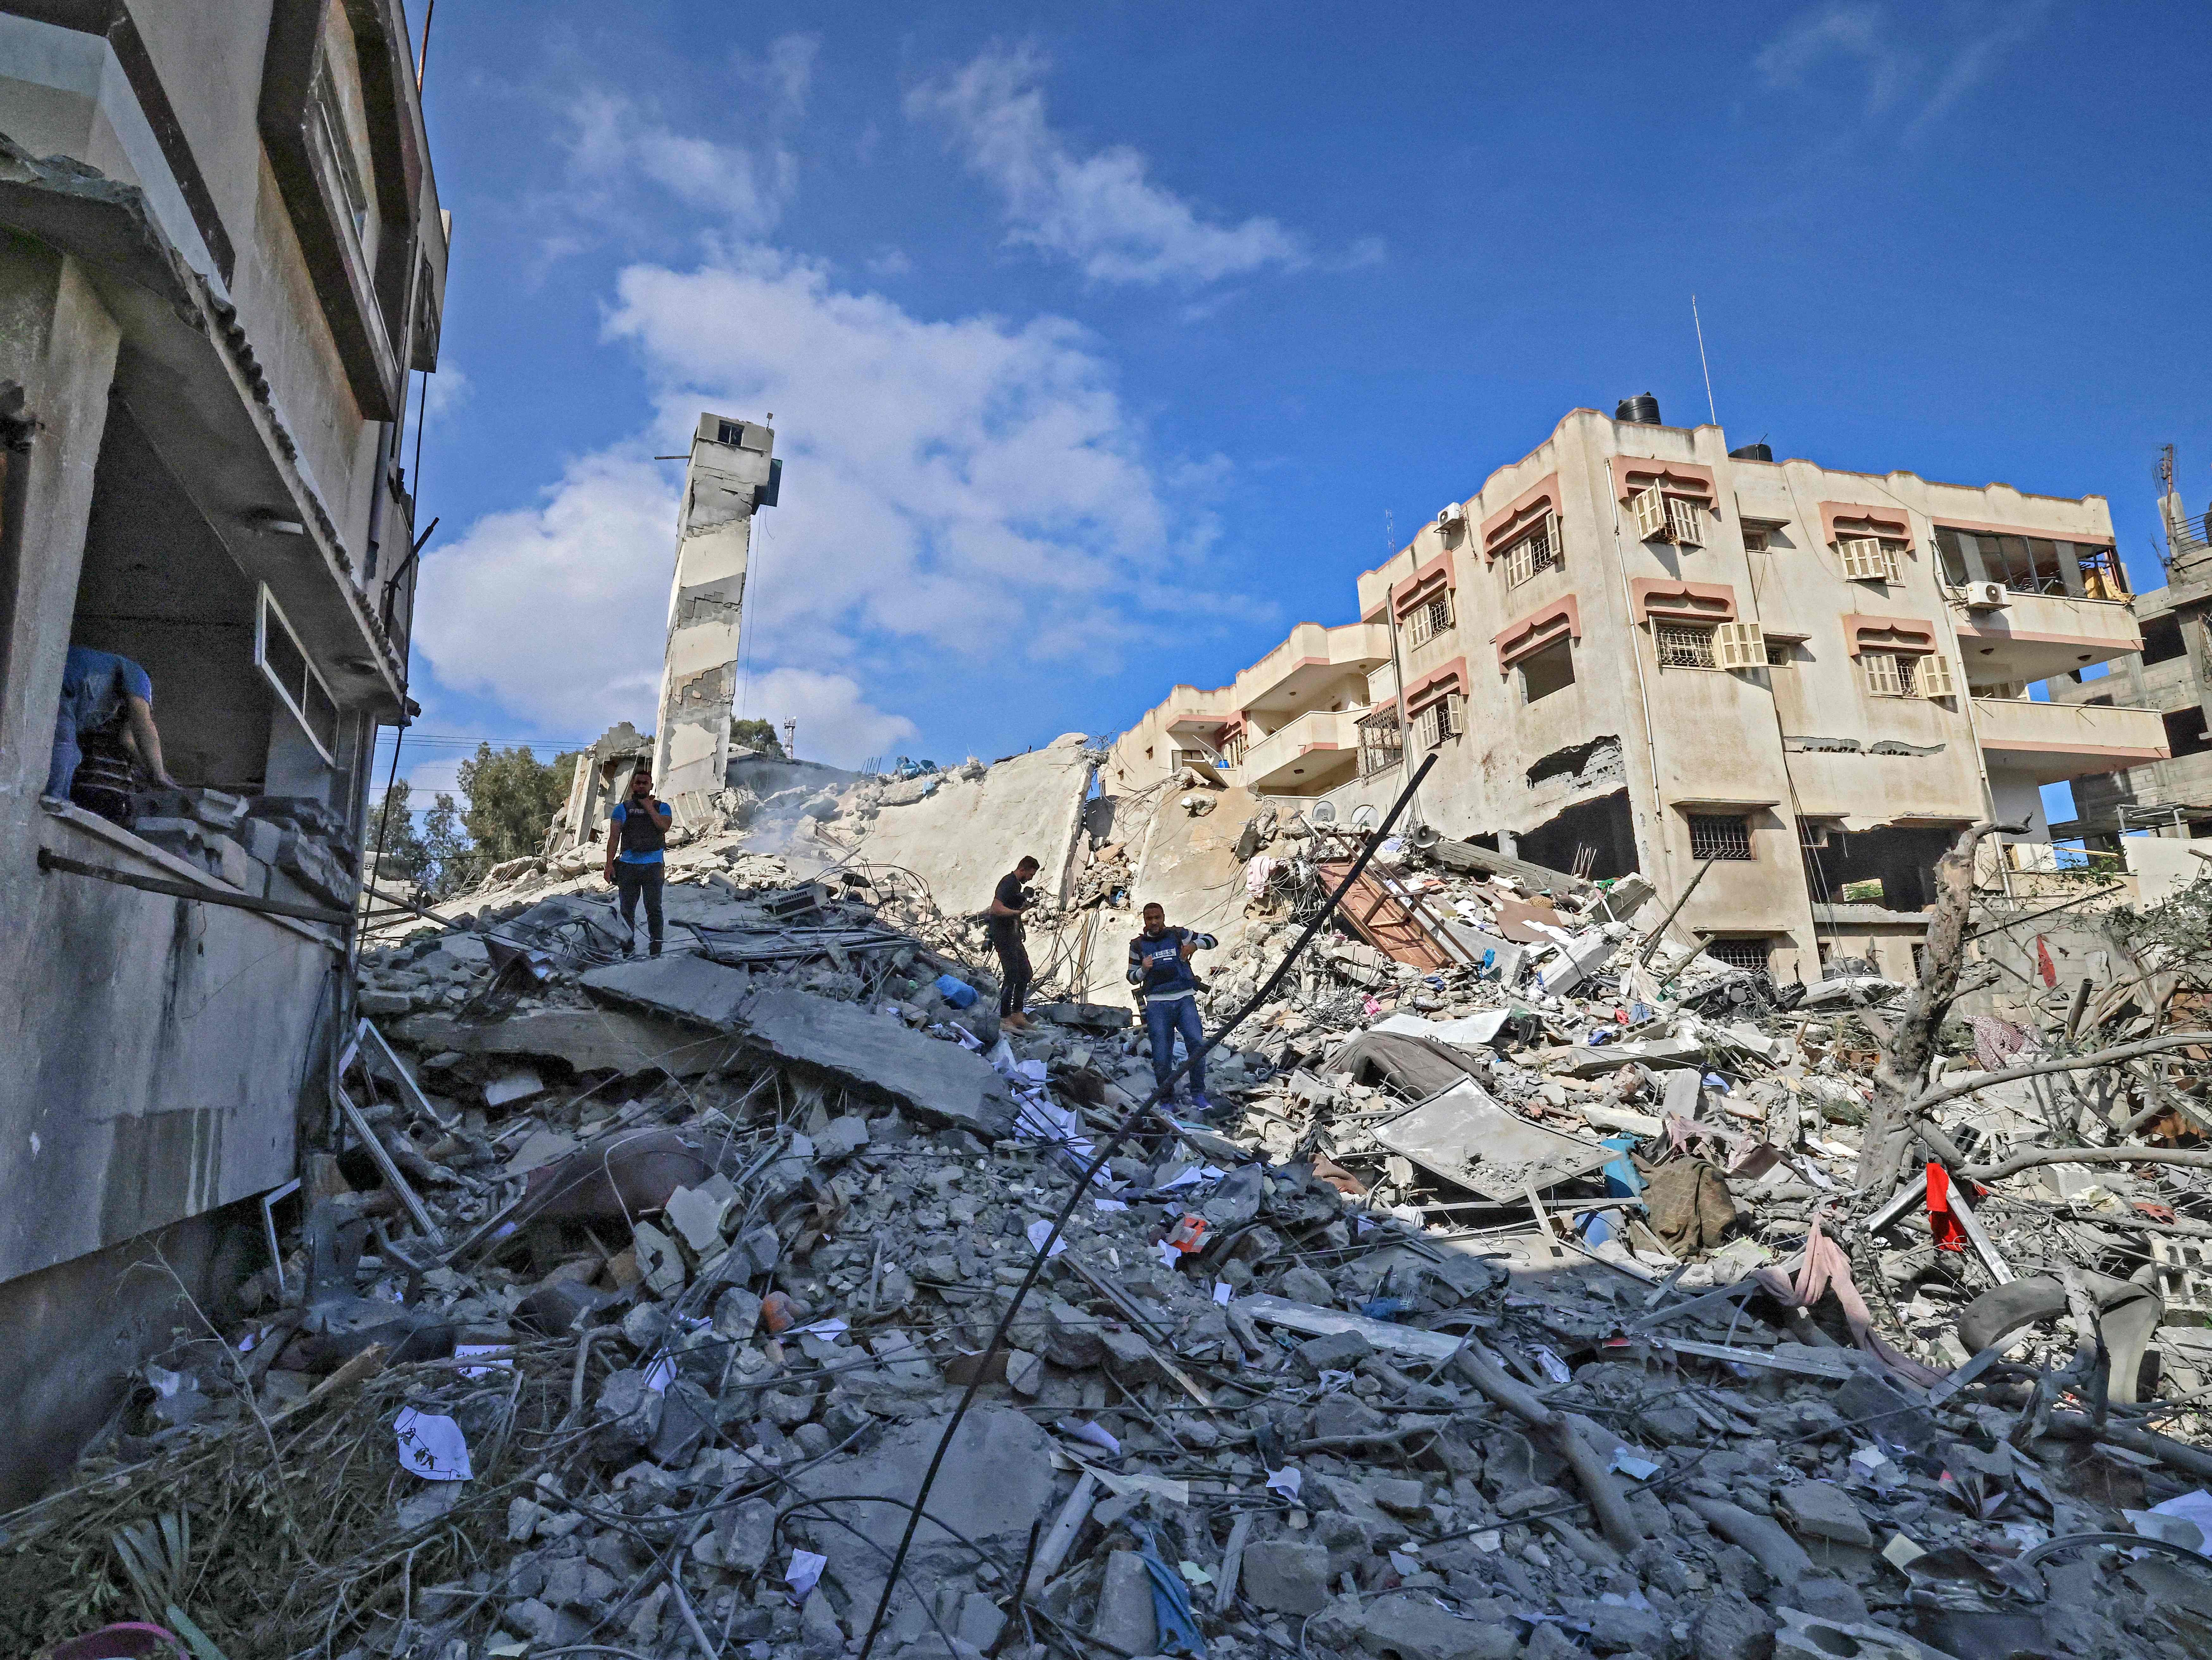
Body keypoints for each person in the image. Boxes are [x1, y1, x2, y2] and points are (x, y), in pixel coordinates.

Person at [46, 644, 177, 801]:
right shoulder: (139, 676)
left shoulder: (112, 685)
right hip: (61, 685)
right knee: (66, 748)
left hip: (52, 678)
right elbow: (143, 725)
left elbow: (127, 741)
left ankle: (55, 798)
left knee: (70, 751)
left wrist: (151, 771)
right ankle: (55, 802)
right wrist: (160, 774)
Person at [1128, 903, 1218, 1112]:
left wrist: (1195, 946)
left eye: (1157, 918)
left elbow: (1213, 940)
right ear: (1144, 920)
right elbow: (1131, 978)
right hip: (1157, 1004)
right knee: (1161, 1055)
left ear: (1163, 917)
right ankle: (1167, 1100)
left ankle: (1198, 1095)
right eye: (1149, 919)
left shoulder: (1179, 935)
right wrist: (1142, 970)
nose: (1154, 922)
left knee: (1196, 1044)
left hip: (1184, 999)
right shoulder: (1138, 946)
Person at [603, 762, 673, 957]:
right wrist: (609, 865)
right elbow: (614, 837)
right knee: (627, 912)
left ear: (651, 786)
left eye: (645, 783)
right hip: (628, 867)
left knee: (654, 910)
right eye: (638, 783)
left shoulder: (663, 807)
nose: (641, 786)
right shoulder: (622, 809)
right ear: (633, 786)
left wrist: (649, 808)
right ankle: (628, 951)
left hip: (653, 866)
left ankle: (656, 950)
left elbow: (664, 827)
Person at [986, 856, 1040, 1030]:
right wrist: (1016, 913)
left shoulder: (1017, 887)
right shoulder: (1008, 883)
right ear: (1022, 870)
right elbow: (996, 909)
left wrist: (1022, 909)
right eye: (1030, 874)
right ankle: (1004, 1018)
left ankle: (1017, 1014)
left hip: (1013, 936)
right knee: (1012, 975)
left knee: (1025, 973)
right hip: (1003, 936)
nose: (1031, 878)